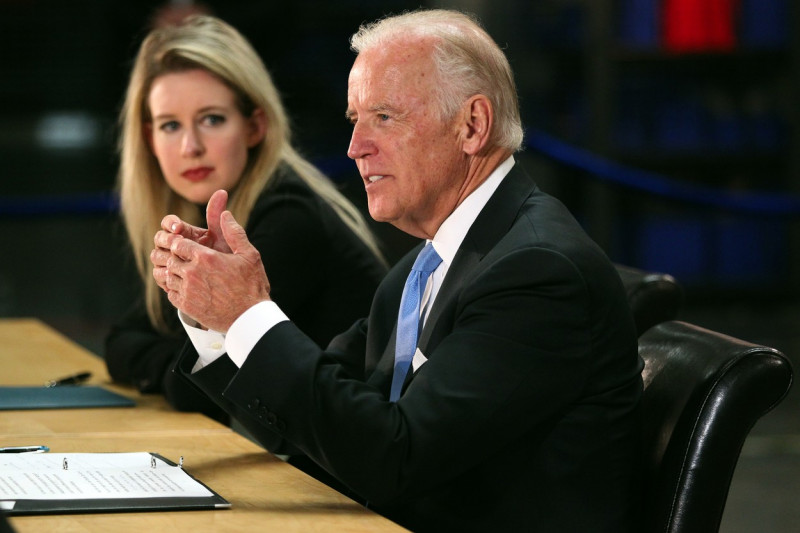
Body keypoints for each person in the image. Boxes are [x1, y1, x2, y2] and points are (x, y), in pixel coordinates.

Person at [152, 9, 643, 532]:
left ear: (472, 125)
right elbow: (319, 423)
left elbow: (394, 458)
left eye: (384, 117)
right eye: (354, 119)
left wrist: (249, 312)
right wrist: (219, 321)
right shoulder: (430, 263)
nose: (355, 146)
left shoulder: (537, 273)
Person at [104, 15, 387, 422]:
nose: (190, 147)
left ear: (254, 126)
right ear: (149, 139)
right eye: (170, 125)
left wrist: (167, 365)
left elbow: (198, 387)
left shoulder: (289, 217)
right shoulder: (207, 220)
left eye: (212, 119)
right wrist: (171, 364)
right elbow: (123, 339)